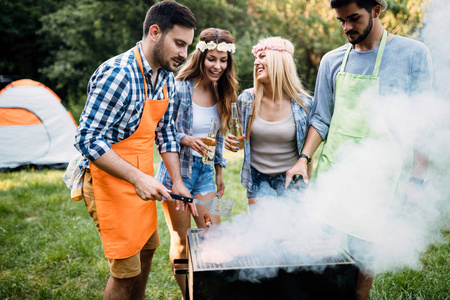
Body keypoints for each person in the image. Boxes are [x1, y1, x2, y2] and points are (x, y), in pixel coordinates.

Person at [292, 1, 433, 299]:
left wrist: (417, 180)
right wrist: (304, 159)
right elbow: (321, 118)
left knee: (362, 263)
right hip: (334, 173)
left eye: (354, 18)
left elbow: (423, 123)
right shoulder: (332, 60)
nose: (346, 28)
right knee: (325, 261)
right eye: (341, 21)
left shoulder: (412, 54)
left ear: (377, 10)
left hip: (379, 179)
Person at [64, 1, 197, 299]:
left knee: (147, 255)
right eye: (178, 43)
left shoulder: (165, 77)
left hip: (142, 180)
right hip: (107, 180)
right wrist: (138, 178)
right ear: (154, 32)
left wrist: (176, 182)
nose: (183, 54)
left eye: (187, 46)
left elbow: (166, 133)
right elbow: (87, 139)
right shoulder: (118, 74)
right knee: (126, 273)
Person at [155, 28, 238, 296]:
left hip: (204, 174)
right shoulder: (179, 88)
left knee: (213, 235)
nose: (217, 66)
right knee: (181, 241)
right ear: (200, 57)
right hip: (175, 174)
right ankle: (188, 295)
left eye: (223, 60)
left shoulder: (222, 92)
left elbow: (218, 136)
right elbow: (161, 130)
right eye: (212, 59)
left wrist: (219, 173)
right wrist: (186, 139)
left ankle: (209, 292)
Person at [225, 36, 313, 207]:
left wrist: (306, 184)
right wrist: (234, 143)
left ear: (279, 61)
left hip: (290, 178)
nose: (256, 62)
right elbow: (243, 142)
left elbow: (308, 151)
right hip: (258, 180)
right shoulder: (247, 100)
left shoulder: (304, 104)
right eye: (256, 58)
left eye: (262, 57)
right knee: (262, 231)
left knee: (289, 232)